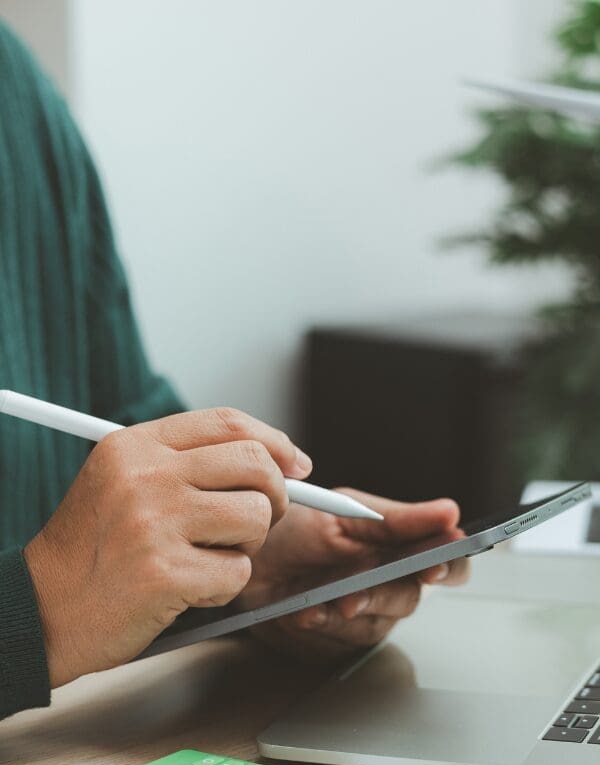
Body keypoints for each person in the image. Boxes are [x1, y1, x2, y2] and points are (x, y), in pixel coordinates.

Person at [0, 23, 467, 721]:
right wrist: (41, 612)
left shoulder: (15, 88)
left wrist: (240, 563)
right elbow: (64, 595)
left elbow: (124, 419)